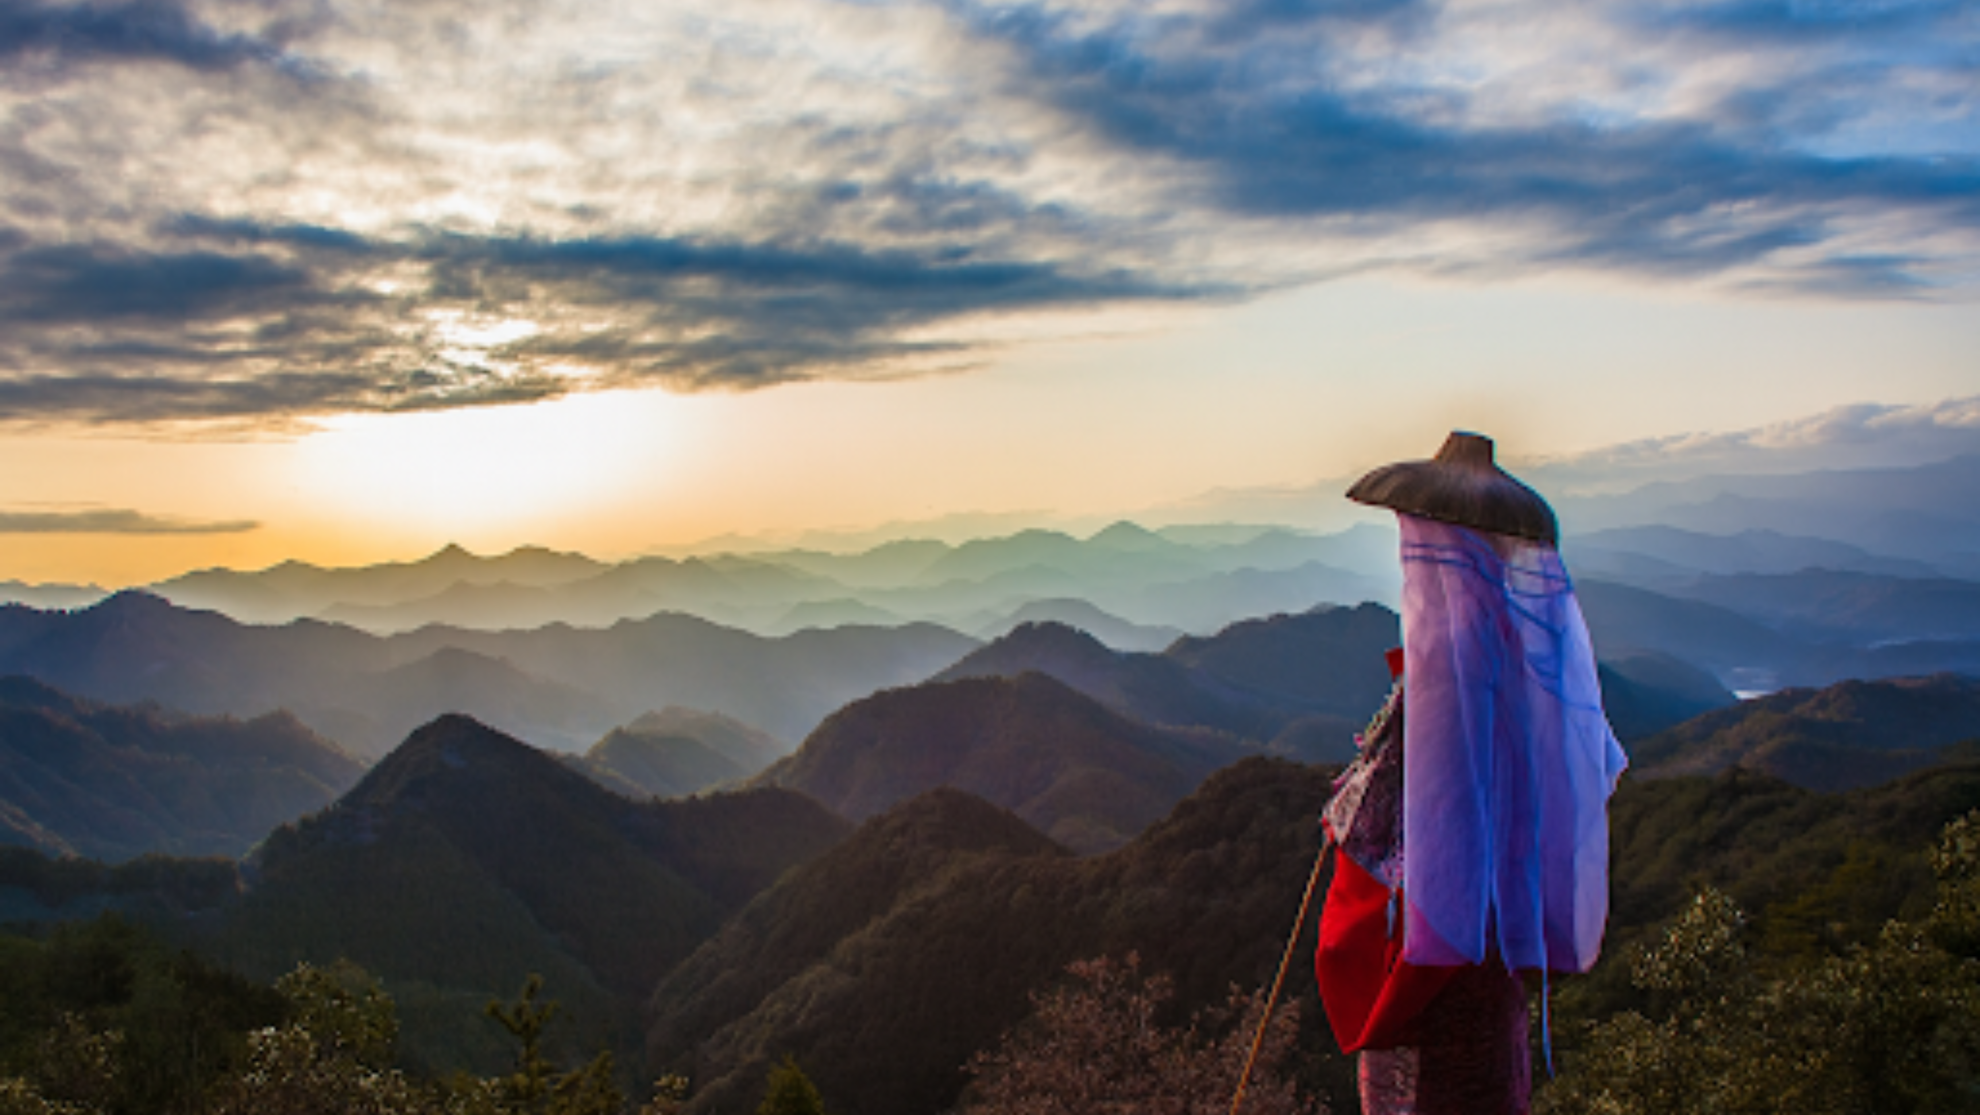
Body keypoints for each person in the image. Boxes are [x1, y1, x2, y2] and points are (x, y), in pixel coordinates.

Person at [1314, 431, 1628, 1115]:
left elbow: (1390, 829)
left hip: (1435, 968)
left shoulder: (1454, 674)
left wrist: (1351, 796)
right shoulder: (1519, 659)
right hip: (1491, 956)